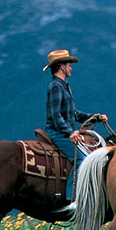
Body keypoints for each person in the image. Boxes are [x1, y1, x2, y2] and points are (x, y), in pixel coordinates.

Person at [43, 49, 107, 213]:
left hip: (63, 131)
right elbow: (55, 115)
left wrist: (95, 117)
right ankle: (73, 199)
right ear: (62, 67)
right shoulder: (56, 87)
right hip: (57, 132)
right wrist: (70, 132)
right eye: (69, 64)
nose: (71, 68)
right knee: (83, 159)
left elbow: (74, 114)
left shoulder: (63, 86)